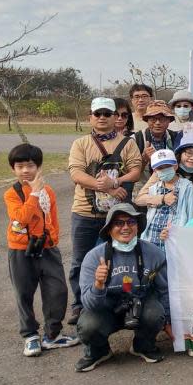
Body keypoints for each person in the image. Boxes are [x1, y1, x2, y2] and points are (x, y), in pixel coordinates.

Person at [67, 97, 142, 326]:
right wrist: (102, 185)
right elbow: (76, 173)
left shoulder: (127, 143)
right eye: (97, 113)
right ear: (90, 116)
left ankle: (117, 302)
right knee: (80, 260)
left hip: (117, 217)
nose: (102, 118)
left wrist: (114, 181)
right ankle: (80, 304)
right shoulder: (80, 143)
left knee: (118, 258)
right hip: (85, 212)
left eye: (107, 114)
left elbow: (136, 170)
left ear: (115, 118)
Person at [5, 144, 79, 357]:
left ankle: (52, 334)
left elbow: (51, 218)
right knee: (23, 292)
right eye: (20, 166)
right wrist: (34, 193)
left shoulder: (48, 191)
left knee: (57, 290)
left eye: (30, 166)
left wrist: (53, 238)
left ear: (38, 167)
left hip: (46, 247)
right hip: (21, 249)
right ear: (13, 169)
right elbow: (21, 217)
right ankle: (29, 335)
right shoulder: (12, 194)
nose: (26, 171)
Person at [75, 204, 169, 371]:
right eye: (118, 223)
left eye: (131, 222)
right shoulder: (93, 257)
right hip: (106, 309)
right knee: (88, 325)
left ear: (138, 226)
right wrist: (98, 285)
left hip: (140, 306)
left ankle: (144, 346)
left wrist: (169, 322)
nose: (125, 227)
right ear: (109, 229)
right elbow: (88, 305)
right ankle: (99, 352)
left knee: (156, 313)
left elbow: (165, 291)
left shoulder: (154, 253)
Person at [136, 149, 193, 248]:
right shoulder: (154, 188)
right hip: (151, 237)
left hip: (173, 240)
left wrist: (185, 238)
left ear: (175, 166)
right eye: (160, 168)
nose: (164, 170)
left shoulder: (186, 186)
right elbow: (139, 200)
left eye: (167, 166)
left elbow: (191, 215)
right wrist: (162, 199)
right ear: (155, 171)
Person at [135, 100, 180, 183]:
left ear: (169, 121)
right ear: (147, 120)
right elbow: (132, 173)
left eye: (162, 119)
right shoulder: (136, 139)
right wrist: (144, 159)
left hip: (171, 183)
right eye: (153, 119)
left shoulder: (176, 137)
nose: (158, 123)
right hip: (144, 185)